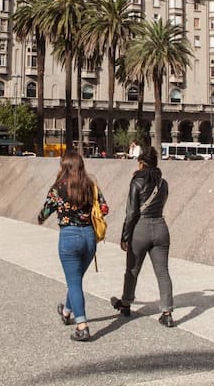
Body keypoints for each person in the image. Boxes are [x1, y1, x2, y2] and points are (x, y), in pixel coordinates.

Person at [37, 150, 108, 341]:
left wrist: (41, 218)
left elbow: (45, 210)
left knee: (74, 282)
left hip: (69, 237)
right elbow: (104, 208)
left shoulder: (58, 187)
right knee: (75, 280)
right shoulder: (90, 185)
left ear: (65, 166)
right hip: (89, 238)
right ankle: (67, 312)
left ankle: (82, 326)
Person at [110, 145, 175, 327]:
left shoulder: (137, 181)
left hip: (141, 229)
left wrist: (125, 236)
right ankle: (167, 312)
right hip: (161, 227)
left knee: (132, 269)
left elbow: (131, 213)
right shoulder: (163, 183)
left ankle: (126, 303)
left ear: (141, 163)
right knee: (163, 272)